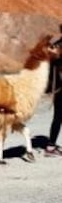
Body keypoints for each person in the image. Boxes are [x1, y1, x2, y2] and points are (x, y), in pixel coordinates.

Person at [44, 25, 62, 156]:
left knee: (58, 116)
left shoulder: (56, 45)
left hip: (58, 87)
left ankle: (51, 146)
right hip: (60, 87)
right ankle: (50, 147)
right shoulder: (57, 47)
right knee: (58, 116)